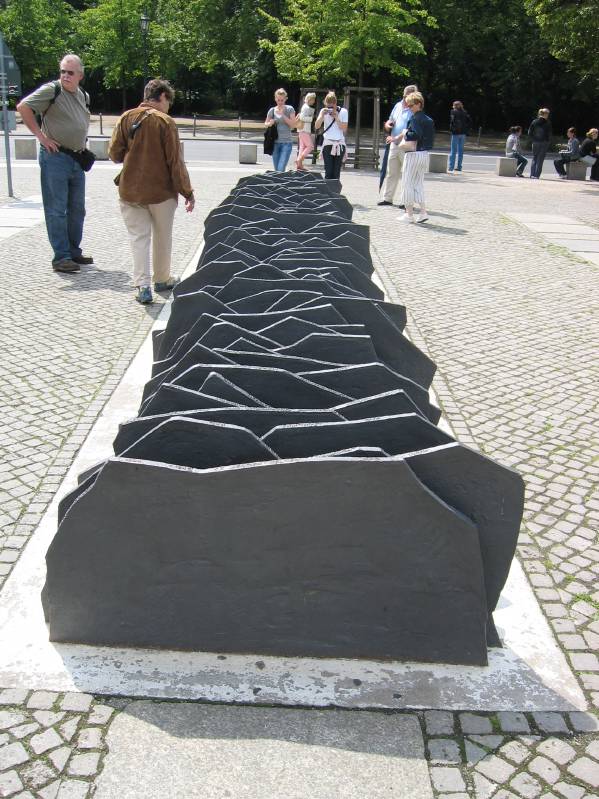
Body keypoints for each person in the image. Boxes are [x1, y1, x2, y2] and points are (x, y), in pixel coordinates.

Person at [108, 79, 195, 305]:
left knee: (139, 238)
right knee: (162, 236)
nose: (169, 106)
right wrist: (187, 191)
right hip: (161, 192)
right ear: (163, 97)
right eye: (169, 101)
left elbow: (114, 154)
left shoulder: (127, 118)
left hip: (131, 191)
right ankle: (162, 278)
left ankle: (143, 287)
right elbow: (175, 162)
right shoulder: (165, 122)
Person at [16, 54, 92, 274]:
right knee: (57, 209)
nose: (65, 76)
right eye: (63, 71)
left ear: (80, 75)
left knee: (77, 209)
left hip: (76, 159)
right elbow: (23, 107)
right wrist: (42, 137)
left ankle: (73, 251)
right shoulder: (52, 90)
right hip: (55, 158)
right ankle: (61, 257)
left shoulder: (83, 95)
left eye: (70, 72)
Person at [398, 91, 435, 224]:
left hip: (413, 154)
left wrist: (406, 133)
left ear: (418, 104)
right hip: (424, 154)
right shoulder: (429, 120)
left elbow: (416, 135)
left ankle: (409, 214)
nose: (408, 107)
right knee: (418, 184)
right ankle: (423, 212)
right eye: (407, 105)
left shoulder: (414, 118)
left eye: (411, 105)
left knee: (407, 183)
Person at [378, 83, 418, 206]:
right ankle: (387, 198)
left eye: (410, 97)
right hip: (394, 143)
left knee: (406, 174)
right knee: (391, 172)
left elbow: (410, 129)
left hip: (406, 144)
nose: (408, 100)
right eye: (406, 96)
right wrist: (387, 125)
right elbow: (391, 119)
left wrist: (396, 137)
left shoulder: (414, 109)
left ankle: (404, 201)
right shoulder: (397, 105)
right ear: (404, 95)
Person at [314, 92, 348, 181]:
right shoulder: (323, 111)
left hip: (339, 143)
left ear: (335, 103)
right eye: (328, 106)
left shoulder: (343, 112)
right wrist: (322, 116)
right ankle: (328, 192)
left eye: (332, 106)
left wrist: (336, 118)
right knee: (328, 171)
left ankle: (335, 192)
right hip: (328, 143)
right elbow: (316, 126)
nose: (330, 108)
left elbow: (344, 128)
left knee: (336, 172)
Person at [265, 89, 296, 172]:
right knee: (276, 169)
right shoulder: (272, 110)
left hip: (286, 142)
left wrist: (282, 115)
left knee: (280, 169)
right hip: (275, 143)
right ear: (275, 99)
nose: (280, 102)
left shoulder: (290, 109)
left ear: (285, 99)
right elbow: (266, 123)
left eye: (282, 100)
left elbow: (293, 124)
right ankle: (279, 184)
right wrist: (270, 123)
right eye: (278, 100)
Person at [528, 108, 552, 179]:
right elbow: (549, 134)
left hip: (535, 142)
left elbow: (529, 132)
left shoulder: (534, 121)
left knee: (534, 158)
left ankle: (532, 174)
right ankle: (536, 175)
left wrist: (533, 139)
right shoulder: (548, 123)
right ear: (546, 114)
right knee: (540, 159)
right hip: (544, 142)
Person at [448, 100, 472, 173]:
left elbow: (452, 122)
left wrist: (451, 129)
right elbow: (470, 121)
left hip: (455, 133)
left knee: (453, 150)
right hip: (463, 133)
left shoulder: (453, 112)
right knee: (460, 151)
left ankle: (451, 167)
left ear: (454, 106)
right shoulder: (465, 112)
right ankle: (459, 166)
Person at [295, 92, 316, 170]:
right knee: (310, 146)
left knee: (302, 147)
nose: (314, 101)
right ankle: (299, 160)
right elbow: (302, 117)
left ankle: (299, 165)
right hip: (304, 130)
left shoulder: (305, 107)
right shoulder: (306, 107)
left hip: (302, 130)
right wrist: (311, 118)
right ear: (310, 99)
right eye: (313, 99)